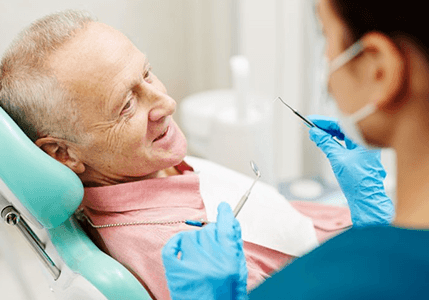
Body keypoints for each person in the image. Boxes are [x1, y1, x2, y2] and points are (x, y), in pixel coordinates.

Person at [0, 10, 358, 300]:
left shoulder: (146, 165)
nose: (166, 103)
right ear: (63, 153)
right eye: (125, 105)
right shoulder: (171, 256)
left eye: (147, 74)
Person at [161, 0, 429, 299]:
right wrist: (378, 223)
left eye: (325, 35)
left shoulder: (317, 286)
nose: (327, 59)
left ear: (378, 71)